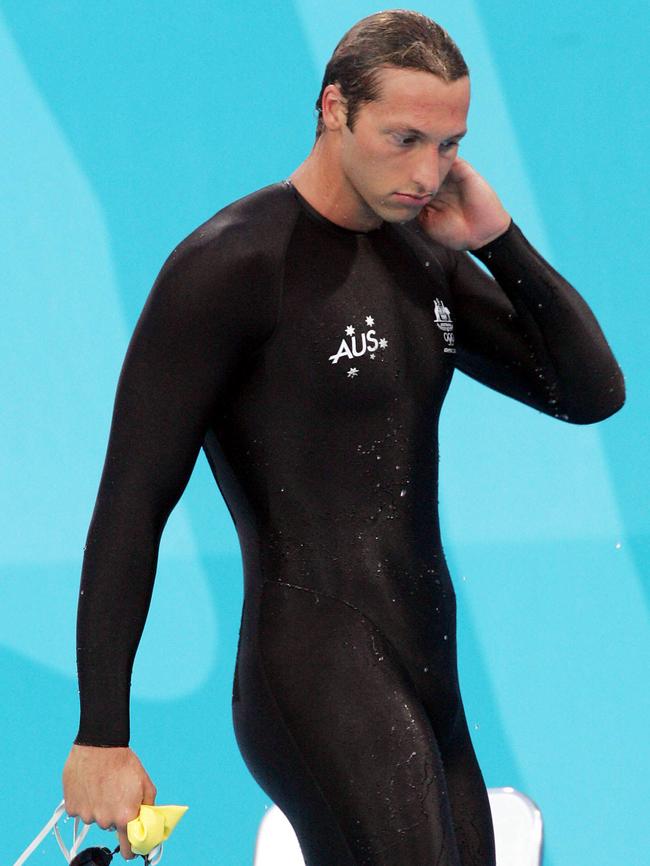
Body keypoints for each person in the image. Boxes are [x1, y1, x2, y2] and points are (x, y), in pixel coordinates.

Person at [61, 9, 625, 866]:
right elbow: (134, 502)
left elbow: (590, 393)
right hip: (314, 669)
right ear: (334, 110)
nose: (427, 170)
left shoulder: (423, 255)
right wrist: (101, 733)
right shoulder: (230, 267)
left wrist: (497, 241)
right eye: (404, 138)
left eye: (448, 145)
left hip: (428, 669)